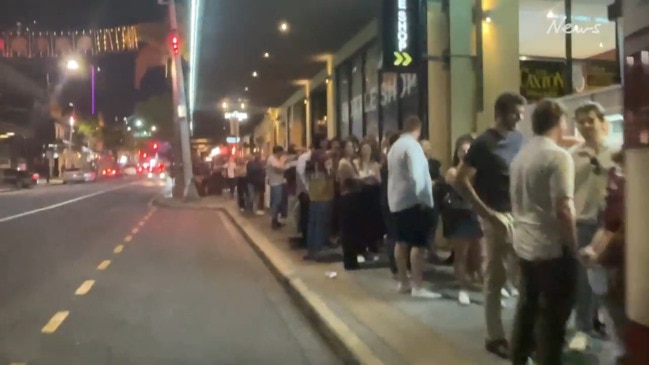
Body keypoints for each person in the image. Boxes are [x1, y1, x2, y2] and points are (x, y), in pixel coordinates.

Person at [454, 92, 526, 358]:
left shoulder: (519, 138)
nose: (520, 118)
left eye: (522, 113)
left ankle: (520, 333)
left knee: (521, 276)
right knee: (495, 277)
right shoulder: (483, 143)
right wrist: (485, 212)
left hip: (521, 214)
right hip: (497, 216)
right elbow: (460, 179)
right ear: (500, 113)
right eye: (515, 113)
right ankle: (495, 336)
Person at [509, 99, 578, 365]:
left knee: (526, 308)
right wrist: (572, 247)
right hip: (551, 248)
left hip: (525, 245)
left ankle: (518, 357)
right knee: (553, 318)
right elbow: (564, 209)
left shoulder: (521, 156)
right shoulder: (559, 157)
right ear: (560, 121)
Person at [568, 101, 620, 351]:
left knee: (611, 278)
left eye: (590, 120)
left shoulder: (617, 151)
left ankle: (604, 321)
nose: (586, 125)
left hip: (613, 224)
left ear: (602, 121)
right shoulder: (572, 156)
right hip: (584, 222)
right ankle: (582, 328)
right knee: (584, 280)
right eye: (581, 121)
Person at [387, 116, 441, 298]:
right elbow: (418, 176)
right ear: (418, 129)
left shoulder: (394, 147)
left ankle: (403, 282)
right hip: (413, 202)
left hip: (397, 202)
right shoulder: (413, 146)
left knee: (401, 242)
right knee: (419, 245)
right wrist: (425, 200)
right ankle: (417, 285)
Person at [439, 135, 483, 305]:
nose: (465, 153)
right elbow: (461, 188)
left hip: (473, 214)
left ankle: (488, 288)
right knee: (461, 255)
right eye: (461, 150)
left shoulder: (477, 170)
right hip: (458, 215)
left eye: (468, 150)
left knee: (479, 254)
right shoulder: (452, 171)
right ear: (456, 153)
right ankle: (462, 289)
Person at [304, 134, 335, 260]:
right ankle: (319, 249)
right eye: (325, 140)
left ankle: (311, 249)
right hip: (324, 192)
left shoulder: (311, 156)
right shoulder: (325, 157)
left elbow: (307, 173)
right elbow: (330, 172)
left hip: (313, 192)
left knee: (313, 222)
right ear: (321, 142)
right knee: (321, 223)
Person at [337, 138, 361, 270]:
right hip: (348, 197)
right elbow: (351, 179)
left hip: (351, 196)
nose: (352, 149)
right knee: (348, 230)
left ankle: (352, 259)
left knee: (351, 230)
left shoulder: (350, 162)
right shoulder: (344, 163)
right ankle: (350, 261)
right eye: (349, 147)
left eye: (352, 146)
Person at [267, 146, 286, 229]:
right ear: (278, 152)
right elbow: (279, 169)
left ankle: (276, 220)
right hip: (275, 184)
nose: (282, 154)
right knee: (276, 202)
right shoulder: (272, 159)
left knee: (278, 203)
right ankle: (273, 221)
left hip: (279, 182)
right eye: (281, 152)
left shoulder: (276, 159)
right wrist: (282, 161)